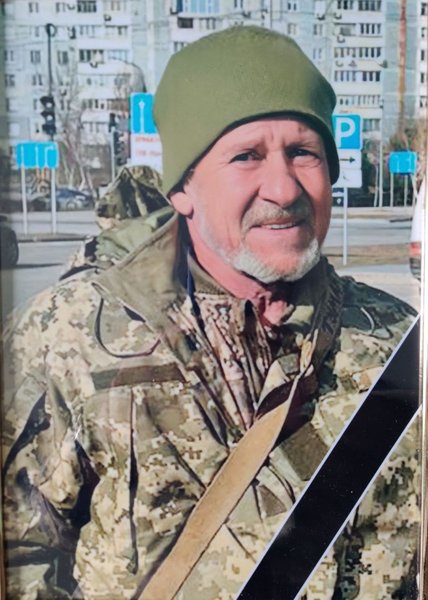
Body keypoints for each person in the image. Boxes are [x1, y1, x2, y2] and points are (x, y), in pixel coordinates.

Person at [2, 26, 420, 600]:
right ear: (183, 189)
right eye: (247, 156)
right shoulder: (66, 339)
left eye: (304, 152)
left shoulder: (399, 343)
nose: (283, 188)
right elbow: (20, 557)